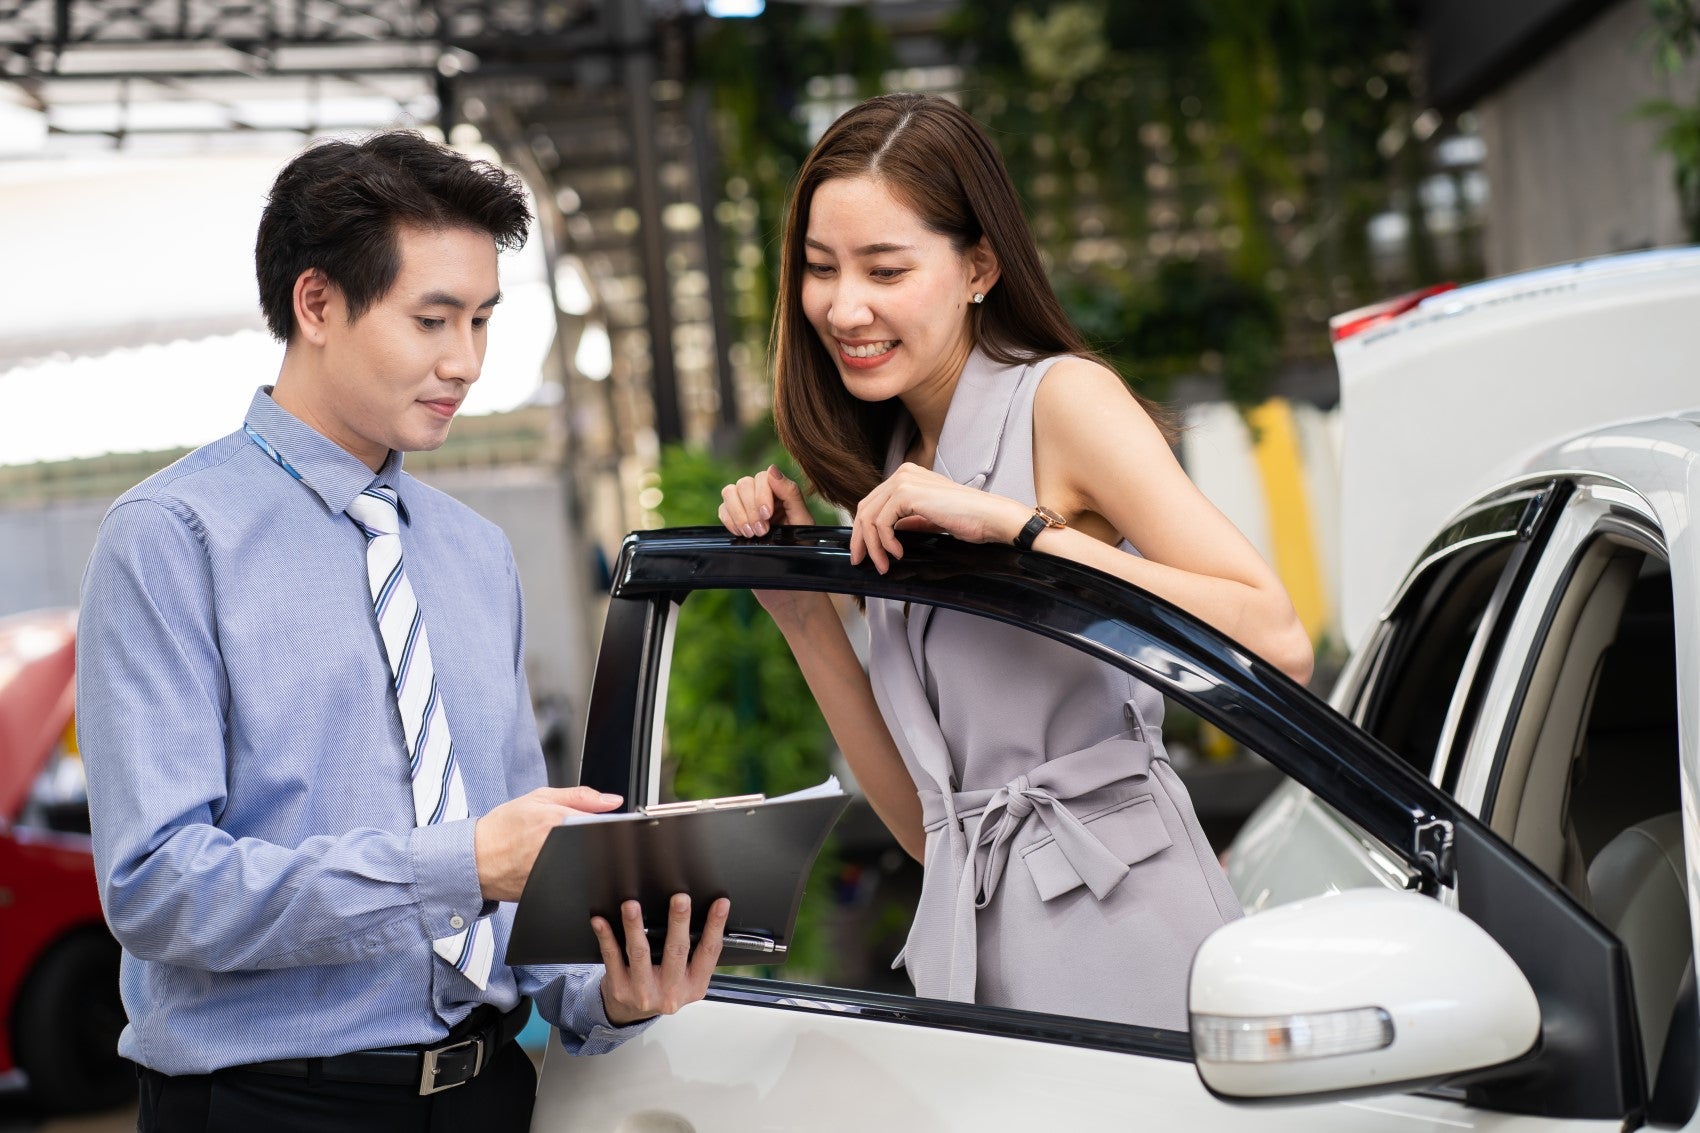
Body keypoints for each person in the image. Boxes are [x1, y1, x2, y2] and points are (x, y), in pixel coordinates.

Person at [77, 131, 728, 1133]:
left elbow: (516, 879)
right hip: (270, 1109)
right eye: (431, 318)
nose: (463, 361)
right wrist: (454, 863)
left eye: (480, 319)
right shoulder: (170, 539)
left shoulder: (473, 553)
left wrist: (608, 997)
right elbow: (158, 887)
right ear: (317, 303)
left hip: (488, 1095)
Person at [717, 93, 1313, 1029]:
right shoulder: (893, 469)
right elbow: (927, 829)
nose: (844, 305)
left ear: (979, 267)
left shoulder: (1062, 401)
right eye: (821, 268)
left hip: (1127, 929)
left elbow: (1277, 639)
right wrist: (800, 608)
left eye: (885, 268)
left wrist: (1019, 528)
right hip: (978, 948)